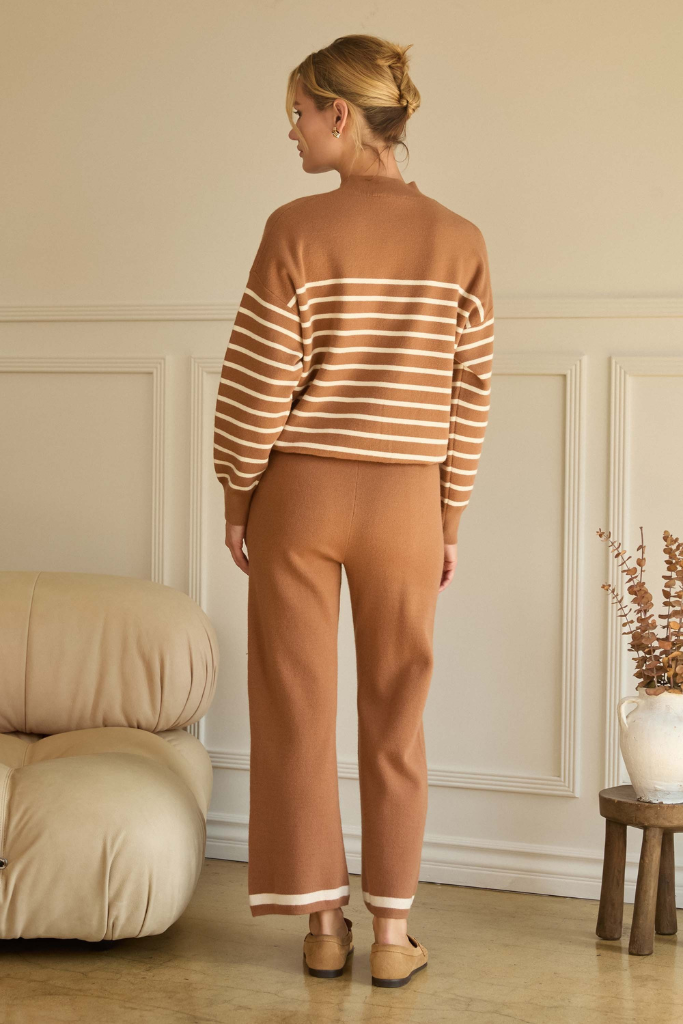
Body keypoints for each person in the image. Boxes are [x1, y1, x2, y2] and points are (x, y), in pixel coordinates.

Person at [213, 33, 494, 988]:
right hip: (406, 503)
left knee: (296, 711)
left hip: (298, 497)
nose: (291, 131)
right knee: (396, 717)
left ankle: (322, 926)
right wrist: (447, 522)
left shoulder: (294, 228)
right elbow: (467, 400)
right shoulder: (459, 240)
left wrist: (238, 495)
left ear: (340, 114)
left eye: (298, 112)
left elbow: (256, 382)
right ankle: (392, 936)